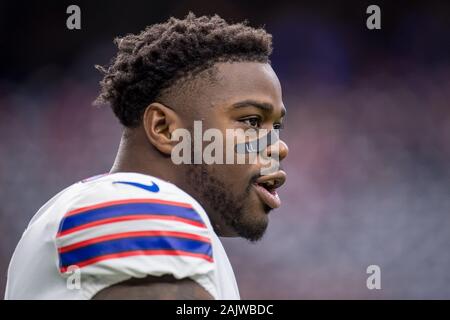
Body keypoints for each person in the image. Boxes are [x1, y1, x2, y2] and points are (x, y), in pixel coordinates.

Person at [5, 12, 288, 300]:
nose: (279, 147)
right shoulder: (144, 209)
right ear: (164, 128)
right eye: (252, 121)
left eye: (276, 126)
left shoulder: (68, 209)